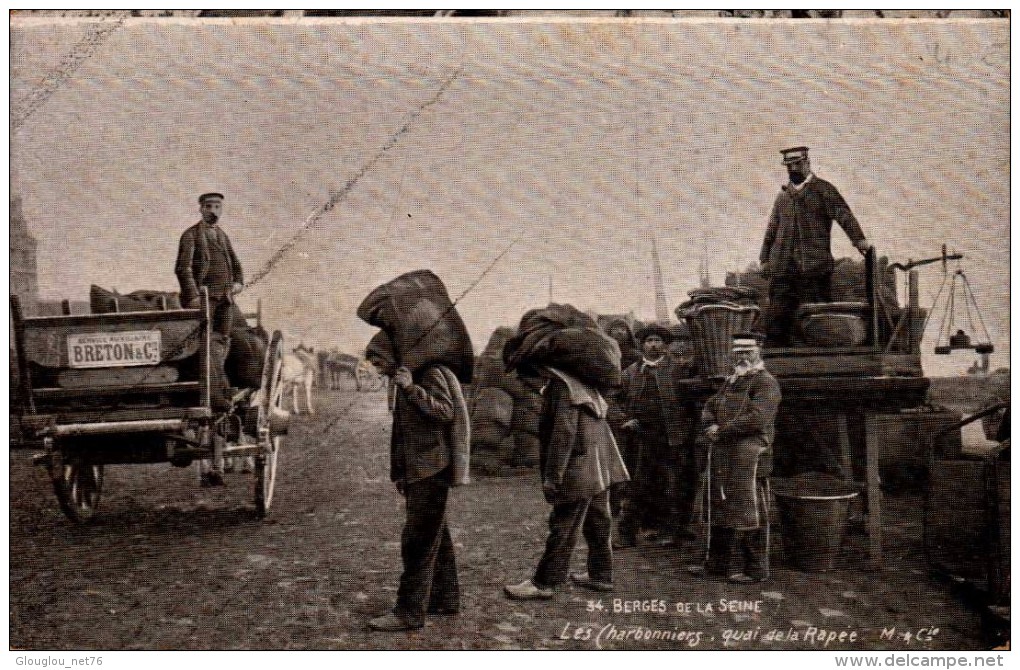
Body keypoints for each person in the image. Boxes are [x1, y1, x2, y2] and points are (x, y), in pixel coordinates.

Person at [504, 365, 629, 599]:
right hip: (599, 463)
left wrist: (554, 476)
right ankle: (601, 575)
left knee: (564, 524)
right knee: (598, 520)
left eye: (523, 379)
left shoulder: (560, 389)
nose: (525, 385)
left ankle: (544, 583)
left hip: (579, 466)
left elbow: (565, 432)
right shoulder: (580, 383)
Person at [368, 353, 468, 631]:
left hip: (432, 469)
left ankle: (409, 612)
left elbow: (446, 412)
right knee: (437, 536)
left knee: (418, 541)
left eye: (378, 362)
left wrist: (412, 389)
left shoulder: (429, 373)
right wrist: (400, 472)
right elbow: (402, 431)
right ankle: (445, 599)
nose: (377, 368)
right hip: (419, 470)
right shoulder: (404, 377)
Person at [690, 333, 781, 583]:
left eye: (747, 351)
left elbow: (758, 419)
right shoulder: (732, 381)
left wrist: (722, 429)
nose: (742, 357)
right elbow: (711, 404)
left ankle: (755, 570)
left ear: (759, 350)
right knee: (718, 504)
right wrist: (709, 423)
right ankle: (717, 564)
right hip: (725, 450)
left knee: (750, 510)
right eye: (738, 352)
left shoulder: (766, 383)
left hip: (750, 453)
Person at [759, 147, 872, 347]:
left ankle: (815, 363)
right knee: (777, 320)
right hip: (783, 270)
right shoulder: (783, 197)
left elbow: (844, 215)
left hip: (814, 269)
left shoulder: (823, 190)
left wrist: (859, 240)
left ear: (807, 163)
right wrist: (764, 259)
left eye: (797, 164)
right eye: (789, 166)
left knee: (817, 321)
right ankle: (779, 365)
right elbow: (771, 229)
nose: (793, 169)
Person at [175, 192, 244, 485]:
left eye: (217, 207)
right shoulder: (192, 235)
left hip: (225, 300)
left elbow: (237, 265)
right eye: (209, 207)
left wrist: (238, 284)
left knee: (223, 341)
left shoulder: (223, 235)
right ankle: (213, 385)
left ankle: (219, 376)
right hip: (204, 300)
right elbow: (183, 268)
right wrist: (192, 297)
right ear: (200, 209)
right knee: (205, 343)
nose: (213, 211)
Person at [615, 324, 701, 548]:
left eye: (658, 341)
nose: (653, 345)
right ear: (642, 345)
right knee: (636, 486)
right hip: (640, 438)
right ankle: (627, 534)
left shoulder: (679, 370)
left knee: (675, 484)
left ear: (665, 345)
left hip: (673, 437)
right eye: (649, 341)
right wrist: (624, 418)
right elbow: (611, 398)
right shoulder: (630, 373)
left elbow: (693, 402)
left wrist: (687, 427)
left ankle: (674, 531)